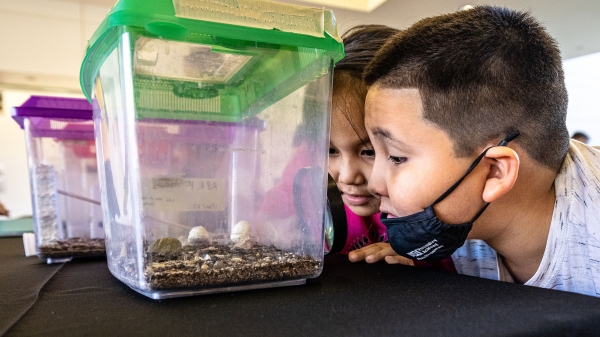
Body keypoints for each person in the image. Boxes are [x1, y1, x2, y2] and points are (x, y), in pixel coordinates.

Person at [358, 6, 600, 297]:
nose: (374, 184)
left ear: (495, 172)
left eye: (397, 157)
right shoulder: (460, 223)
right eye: (374, 153)